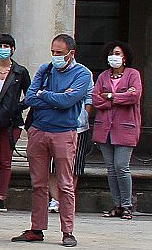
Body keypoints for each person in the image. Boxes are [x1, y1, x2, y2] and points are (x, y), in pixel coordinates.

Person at [15, 34, 94, 247]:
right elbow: (30, 98)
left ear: (71, 53)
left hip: (65, 132)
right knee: (38, 183)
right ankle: (36, 228)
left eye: (59, 53)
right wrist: (52, 97)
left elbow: (69, 100)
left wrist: (45, 95)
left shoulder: (82, 73)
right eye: (53, 52)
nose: (55, 56)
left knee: (65, 184)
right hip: (39, 130)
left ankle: (68, 232)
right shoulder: (45, 69)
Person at [91, 41, 140, 220]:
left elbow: (134, 96)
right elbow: (96, 99)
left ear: (124, 57)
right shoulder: (103, 76)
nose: (115, 56)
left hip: (125, 128)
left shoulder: (133, 74)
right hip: (105, 128)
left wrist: (111, 96)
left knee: (121, 166)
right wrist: (121, 97)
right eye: (112, 53)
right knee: (111, 169)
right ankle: (118, 204)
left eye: (118, 53)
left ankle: (127, 204)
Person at [0, 33, 32, 212]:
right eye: (0, 46)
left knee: (6, 160)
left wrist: (18, 107)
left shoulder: (19, 72)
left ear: (13, 49)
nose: (3, 50)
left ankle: (1, 196)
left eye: (6, 47)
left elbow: (30, 94)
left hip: (12, 121)